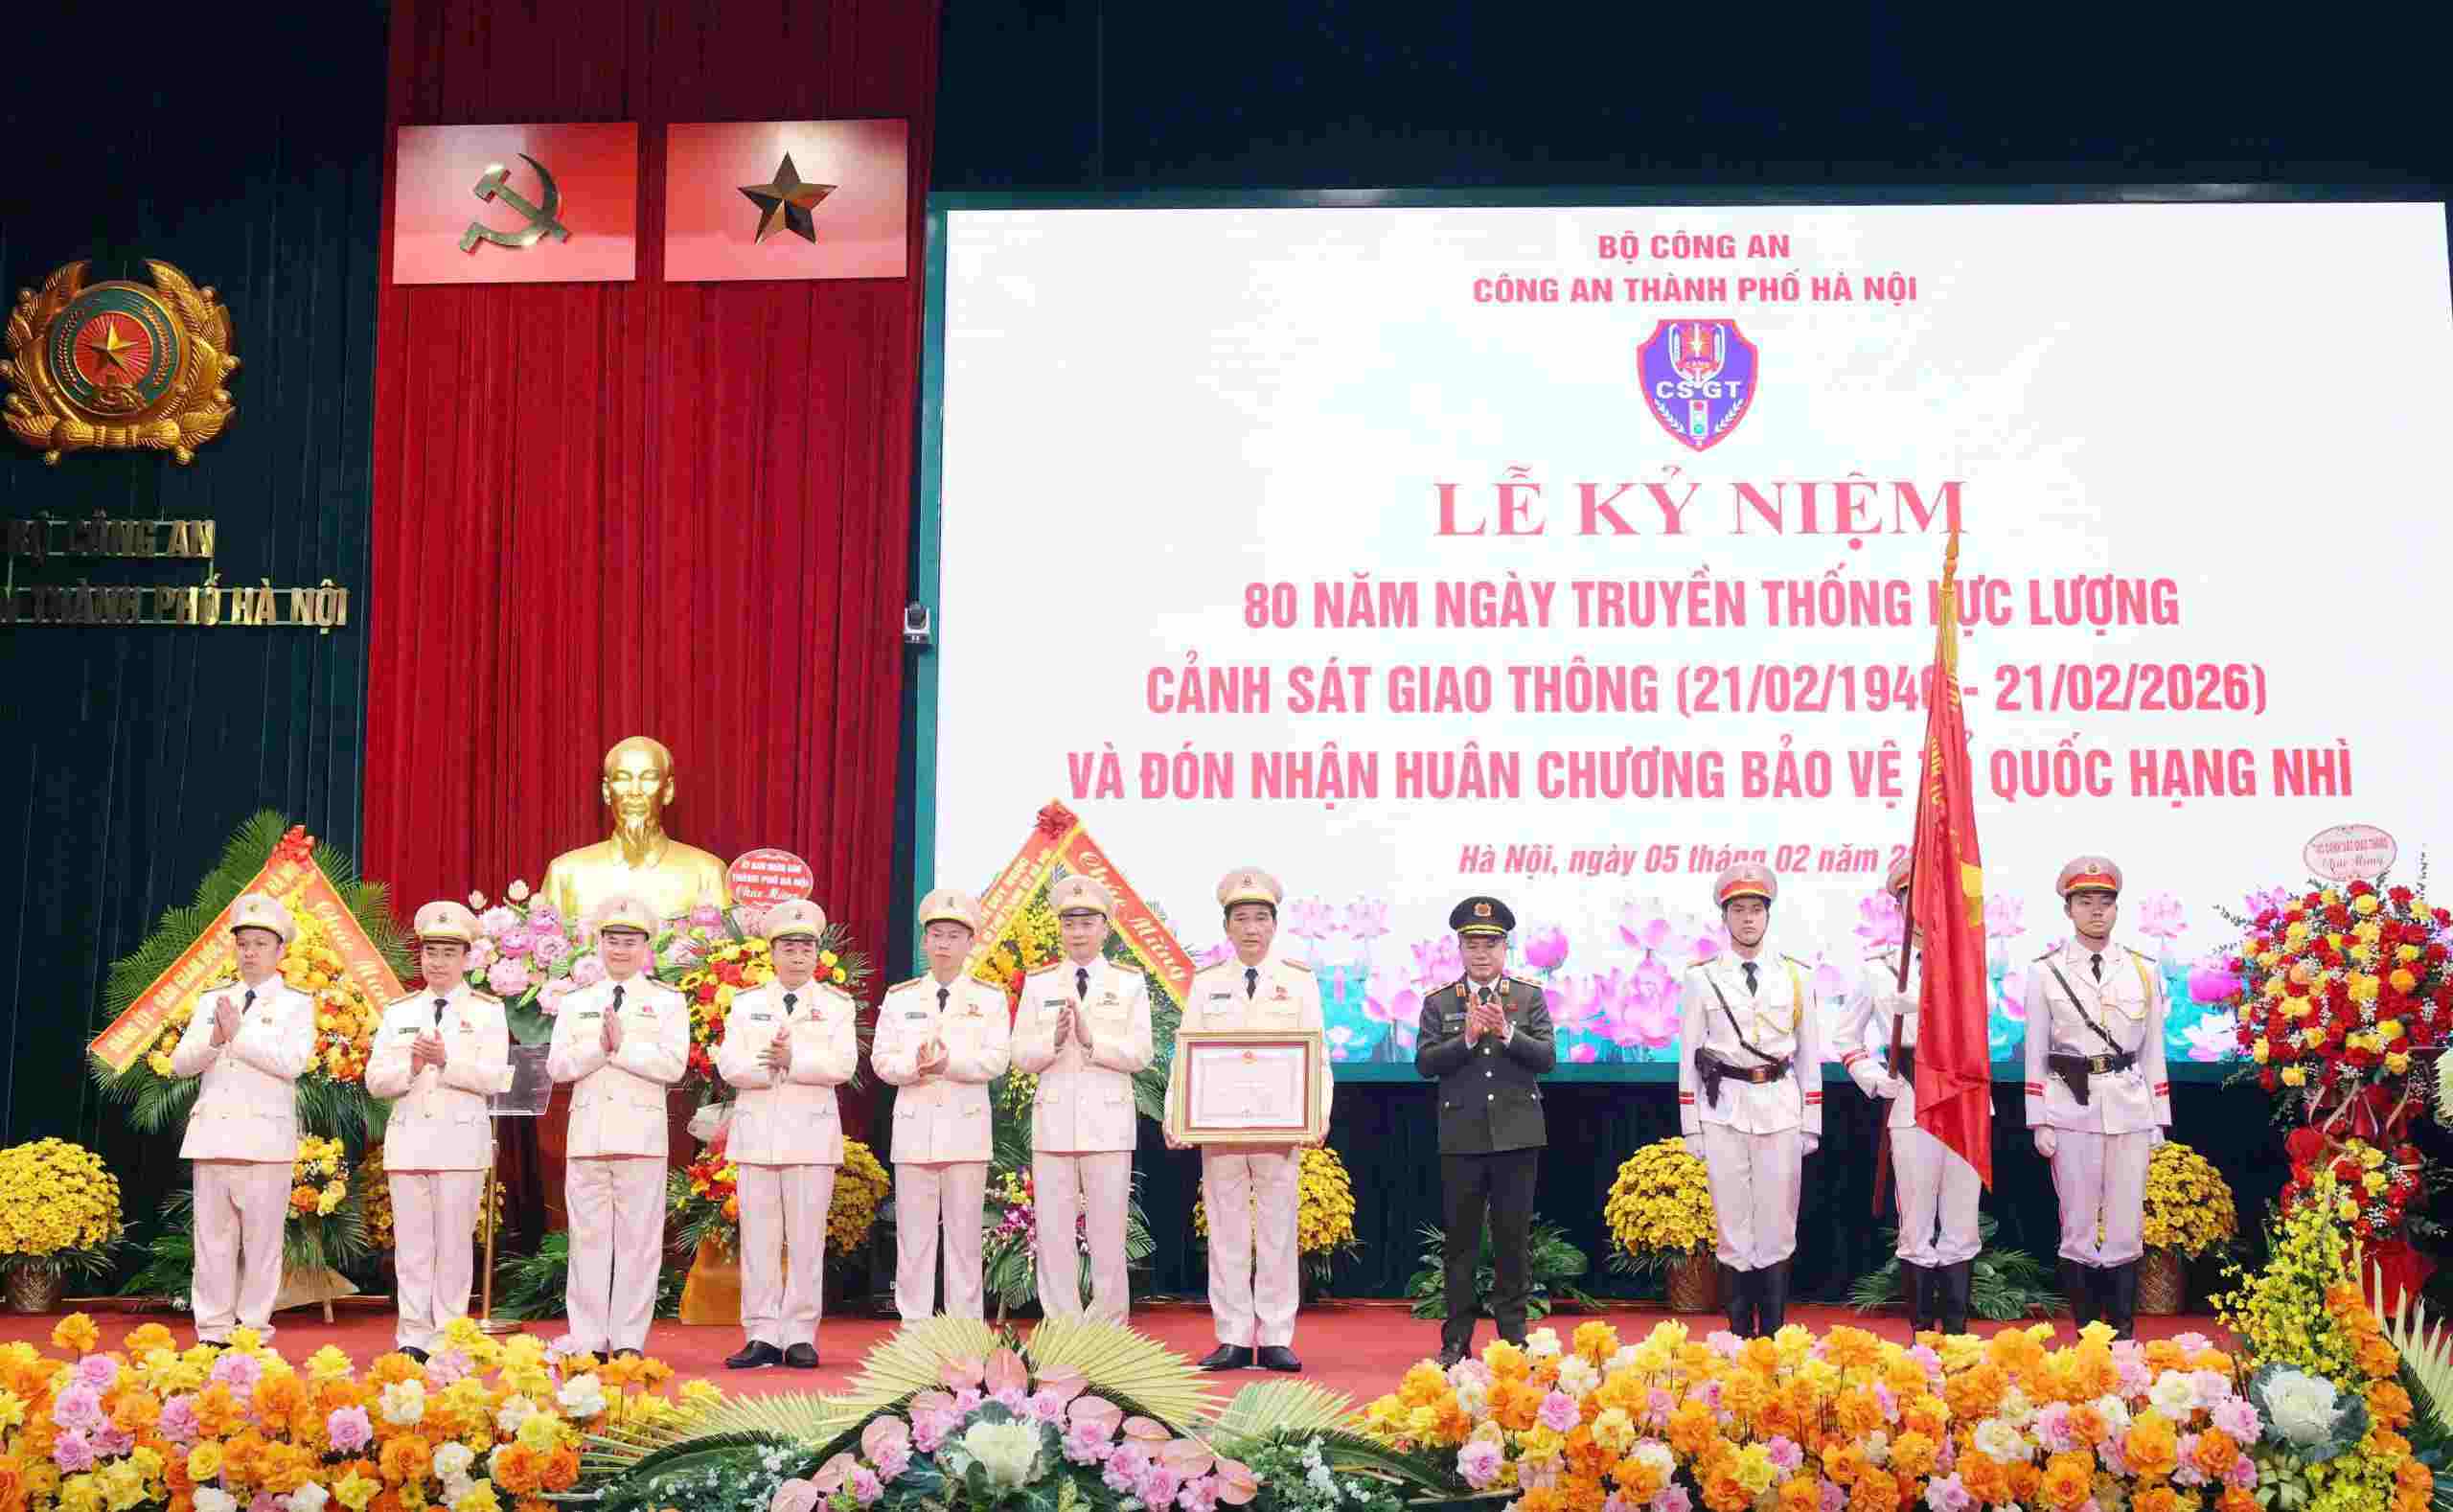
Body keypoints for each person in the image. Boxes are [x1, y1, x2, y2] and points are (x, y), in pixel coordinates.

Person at [1164, 867, 1332, 1373]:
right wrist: (1177, 1114)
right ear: (1227, 927)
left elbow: (1318, 1056)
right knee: (1226, 1230)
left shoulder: (1298, 982)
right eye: (1241, 918)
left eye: (1260, 917)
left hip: (1281, 1128)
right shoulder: (1207, 983)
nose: (1251, 927)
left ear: (1274, 925)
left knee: (1279, 1230)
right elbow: (1185, 1053)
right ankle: (1234, 1335)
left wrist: (1317, 1115)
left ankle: (1277, 1334)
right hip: (1220, 1129)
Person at [2023, 855, 2170, 1340]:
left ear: (2117, 908)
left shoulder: (2144, 970)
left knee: (2127, 1224)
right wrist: (2038, 1118)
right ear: (2068, 909)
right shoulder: (2044, 972)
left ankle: (2124, 1334)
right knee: (2078, 1226)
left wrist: (2158, 1117)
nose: (2096, 911)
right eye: (2085, 901)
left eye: (2105, 901)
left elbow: (2152, 1051)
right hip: (2071, 1107)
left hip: (2129, 1106)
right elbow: (2037, 1052)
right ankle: (2088, 1334)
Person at [1678, 862, 1823, 1338]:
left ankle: (1776, 1335)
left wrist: (1811, 1120)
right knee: (1733, 1225)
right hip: (1724, 1110)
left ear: (1768, 915)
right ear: (1724, 916)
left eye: (1756, 909)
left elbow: (1808, 1054)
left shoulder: (1797, 976)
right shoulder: (1702, 979)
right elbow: (1689, 1055)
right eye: (1738, 909)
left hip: (1780, 1107)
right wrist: (1692, 1125)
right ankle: (1739, 1336)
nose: (1747, 919)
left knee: (1779, 1224)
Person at [714, 899, 858, 1368]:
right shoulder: (747, 1003)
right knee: (758, 1239)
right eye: (788, 947)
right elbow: (729, 1064)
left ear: (818, 954)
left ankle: (799, 1332)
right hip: (757, 1136)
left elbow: (843, 1065)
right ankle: (760, 1332)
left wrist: (793, 1061)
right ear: (771, 953)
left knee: (806, 1238)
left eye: (806, 947)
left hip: (811, 1139)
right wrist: (767, 1064)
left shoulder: (835, 1006)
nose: (798, 956)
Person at [1841, 856, 1981, 1336]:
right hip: (1911, 1096)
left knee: (1962, 1221)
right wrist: (1872, 1075)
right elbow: (1846, 1037)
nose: (1920, 906)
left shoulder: (1971, 957)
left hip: (1963, 1096)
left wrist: (1924, 1008)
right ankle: (1922, 1334)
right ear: (1900, 906)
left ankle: (1958, 1336)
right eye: (1910, 897)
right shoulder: (1879, 969)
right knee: (1916, 1221)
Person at [169, 892, 317, 1343]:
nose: (249, 953)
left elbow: (291, 1062)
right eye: (243, 944)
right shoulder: (214, 999)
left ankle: (252, 1331)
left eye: (259, 944)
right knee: (212, 1242)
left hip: (265, 1139)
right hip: (213, 1134)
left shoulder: (296, 1003)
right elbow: (180, 1062)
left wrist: (240, 1034)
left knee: (262, 1243)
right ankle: (212, 1331)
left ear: (279, 950)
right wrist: (215, 1037)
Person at [365, 900, 511, 1361]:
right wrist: (410, 1065)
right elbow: (375, 1080)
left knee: (453, 1247)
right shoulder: (399, 1011)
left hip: (460, 1144)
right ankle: (412, 1335)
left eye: (449, 953)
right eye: (431, 952)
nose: (438, 962)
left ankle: (449, 1335)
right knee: (411, 1247)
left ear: (466, 958)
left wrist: (446, 1062)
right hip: (409, 1142)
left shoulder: (487, 1011)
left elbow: (495, 1078)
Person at [1414, 894, 1554, 1366]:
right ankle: (1456, 1338)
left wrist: (1509, 1033)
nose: (1481, 953)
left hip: (1518, 1135)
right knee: (1461, 1244)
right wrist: (1468, 1038)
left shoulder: (1527, 998)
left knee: (1513, 1240)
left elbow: (1547, 1059)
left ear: (1504, 948)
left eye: (1490, 943)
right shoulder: (1439, 1003)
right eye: (1472, 943)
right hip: (1463, 1138)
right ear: (1459, 948)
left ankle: (1514, 1336)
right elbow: (1425, 1063)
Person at [545, 895, 688, 1359]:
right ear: (599, 943)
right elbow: (558, 1065)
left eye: (629, 942)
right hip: (588, 1137)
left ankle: (628, 1341)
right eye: (612, 941)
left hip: (642, 1140)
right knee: (587, 1243)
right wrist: (599, 1049)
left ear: (646, 946)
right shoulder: (577, 1001)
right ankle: (588, 1340)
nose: (620, 950)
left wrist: (622, 1048)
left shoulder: (667, 1003)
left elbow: (673, 1065)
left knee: (639, 1245)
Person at [1010, 875, 1154, 1322]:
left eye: (1087, 922)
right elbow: (1019, 1055)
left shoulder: (1128, 983)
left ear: (1106, 927)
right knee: (1052, 1231)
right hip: (1054, 1122)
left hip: (1108, 1124)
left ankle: (1107, 1325)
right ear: (1059, 928)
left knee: (1108, 1231)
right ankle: (1062, 1323)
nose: (1078, 931)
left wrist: (1094, 1042)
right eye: (1069, 922)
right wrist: (1051, 1043)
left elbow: (1141, 1054)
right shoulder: (1039, 983)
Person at [874, 887, 1012, 1320]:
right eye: (936, 935)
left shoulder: (989, 999)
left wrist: (951, 1063)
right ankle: (914, 1326)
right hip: (915, 1128)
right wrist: (913, 1067)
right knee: (913, 1238)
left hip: (966, 1130)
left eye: (954, 936)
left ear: (970, 944)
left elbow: (997, 1059)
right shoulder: (901, 997)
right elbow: (882, 1059)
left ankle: (964, 1327)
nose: (944, 944)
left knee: (965, 1237)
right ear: (924, 943)